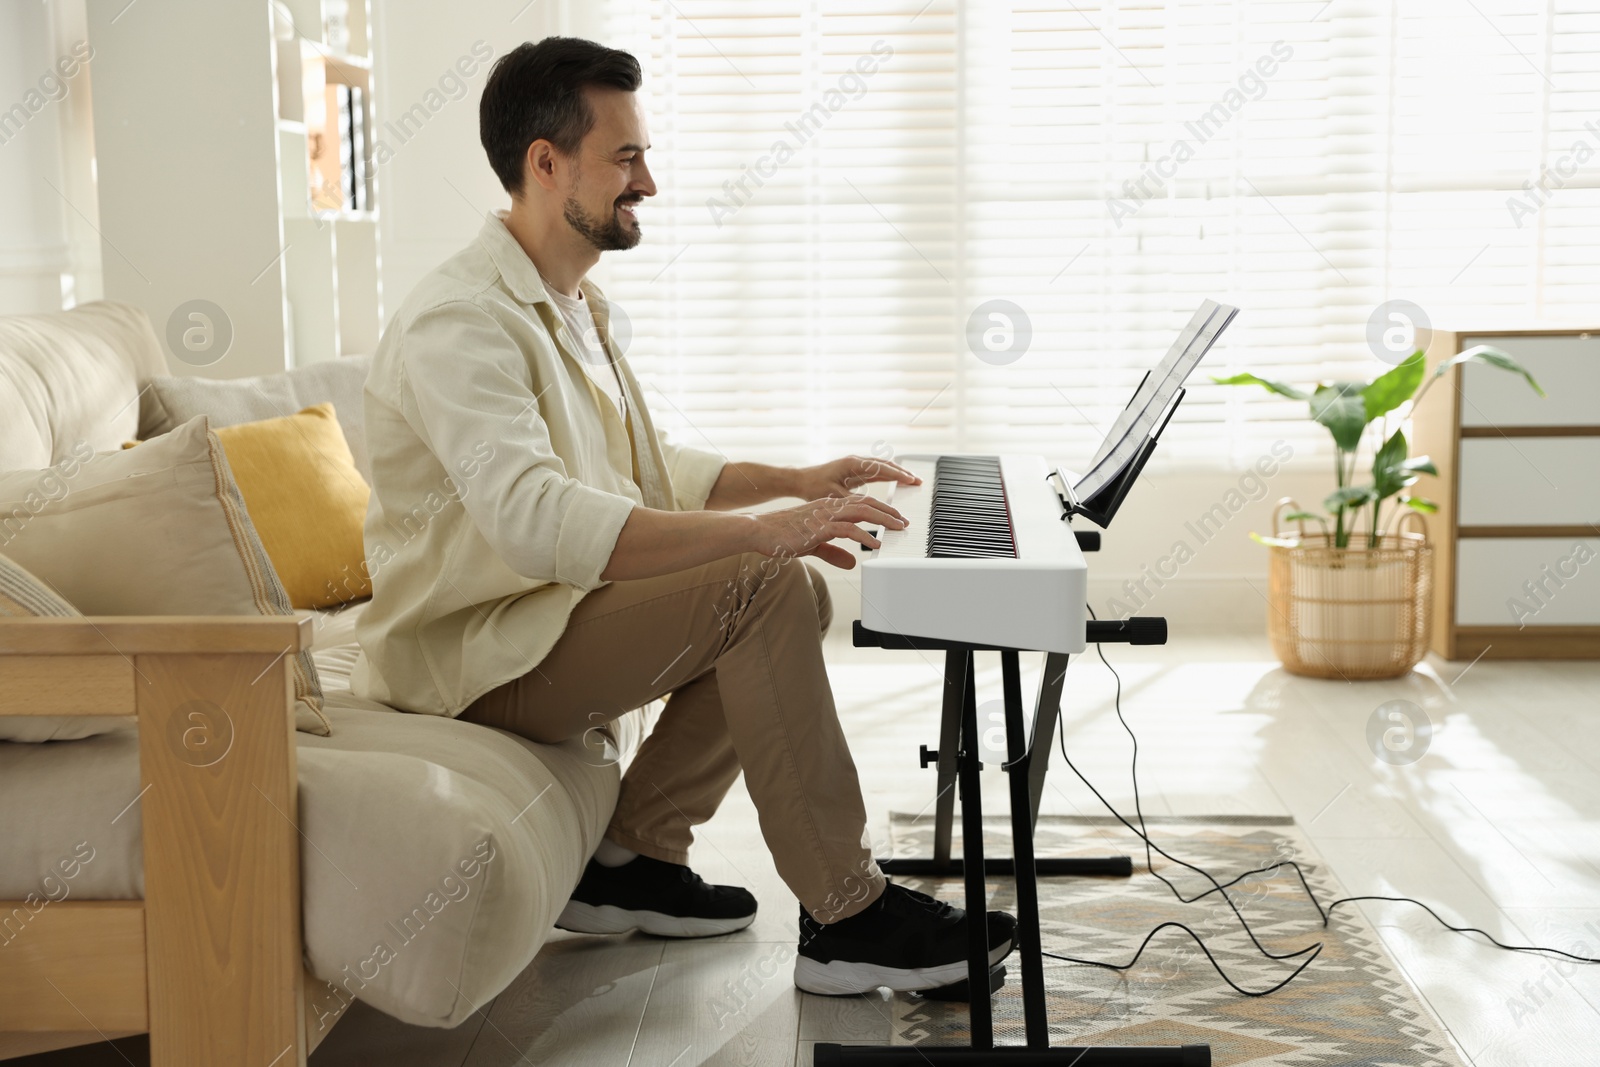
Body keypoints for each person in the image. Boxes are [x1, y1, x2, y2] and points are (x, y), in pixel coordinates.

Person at [352, 35, 1015, 996]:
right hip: (474, 655)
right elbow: (535, 519)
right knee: (761, 582)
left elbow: (647, 472)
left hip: (539, 621)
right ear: (546, 163)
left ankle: (632, 859)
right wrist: (763, 534)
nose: (649, 182)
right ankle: (847, 913)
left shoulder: (572, 304)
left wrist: (794, 480)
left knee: (791, 594)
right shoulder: (457, 322)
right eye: (626, 158)